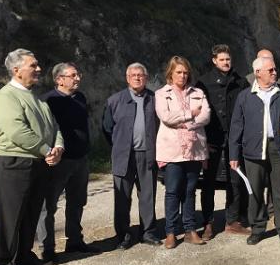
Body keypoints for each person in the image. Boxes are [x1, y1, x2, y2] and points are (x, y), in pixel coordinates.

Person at [0, 49, 64, 265]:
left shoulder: (36, 98)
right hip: (13, 162)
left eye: (37, 64)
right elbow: (17, 131)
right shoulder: (5, 97)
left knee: (31, 212)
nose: (38, 69)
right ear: (16, 70)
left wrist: (58, 147)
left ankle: (23, 256)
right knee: (10, 214)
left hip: (37, 162)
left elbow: (54, 127)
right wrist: (46, 150)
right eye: (33, 65)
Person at [229, 56, 280, 246]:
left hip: (279, 147)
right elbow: (236, 126)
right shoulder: (245, 96)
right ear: (258, 73)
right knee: (255, 190)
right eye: (271, 70)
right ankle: (258, 228)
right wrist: (233, 154)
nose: (275, 72)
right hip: (253, 149)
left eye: (275, 69)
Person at [37, 62, 98, 264]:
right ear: (59, 79)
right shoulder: (48, 101)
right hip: (58, 161)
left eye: (77, 74)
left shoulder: (80, 97)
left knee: (77, 202)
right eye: (73, 75)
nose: (78, 78)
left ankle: (75, 241)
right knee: (49, 205)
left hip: (81, 159)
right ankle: (47, 249)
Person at [102, 63, 161, 249]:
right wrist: (119, 146)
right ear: (127, 78)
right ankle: (123, 235)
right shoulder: (114, 100)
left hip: (147, 154)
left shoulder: (155, 99)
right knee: (122, 198)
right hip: (123, 156)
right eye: (133, 75)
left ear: (146, 77)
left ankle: (148, 232)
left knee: (147, 195)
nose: (137, 78)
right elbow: (107, 128)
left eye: (141, 75)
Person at [156, 56, 211, 249]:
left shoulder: (198, 92)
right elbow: (166, 117)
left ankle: (190, 229)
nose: (182, 75)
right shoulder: (162, 94)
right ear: (170, 73)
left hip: (195, 149)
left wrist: (187, 121)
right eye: (179, 72)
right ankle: (170, 232)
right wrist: (190, 114)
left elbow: (205, 116)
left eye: (185, 72)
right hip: (172, 150)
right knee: (172, 192)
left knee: (190, 191)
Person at [196, 44, 250, 240]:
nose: (226, 62)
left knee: (234, 181)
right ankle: (207, 223)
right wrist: (203, 140)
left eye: (228, 59)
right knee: (208, 182)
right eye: (222, 59)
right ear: (214, 60)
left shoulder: (240, 82)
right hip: (212, 139)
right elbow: (198, 113)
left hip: (235, 139)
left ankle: (232, 221)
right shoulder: (203, 83)